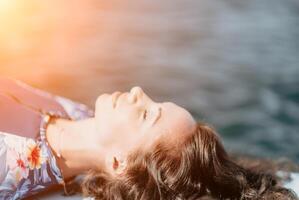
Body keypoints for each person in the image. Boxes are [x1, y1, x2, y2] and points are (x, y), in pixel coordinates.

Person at [0, 77, 297, 200]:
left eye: (147, 115)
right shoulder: (85, 117)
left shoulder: (10, 166)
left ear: (119, 163)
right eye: (156, 103)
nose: (139, 92)